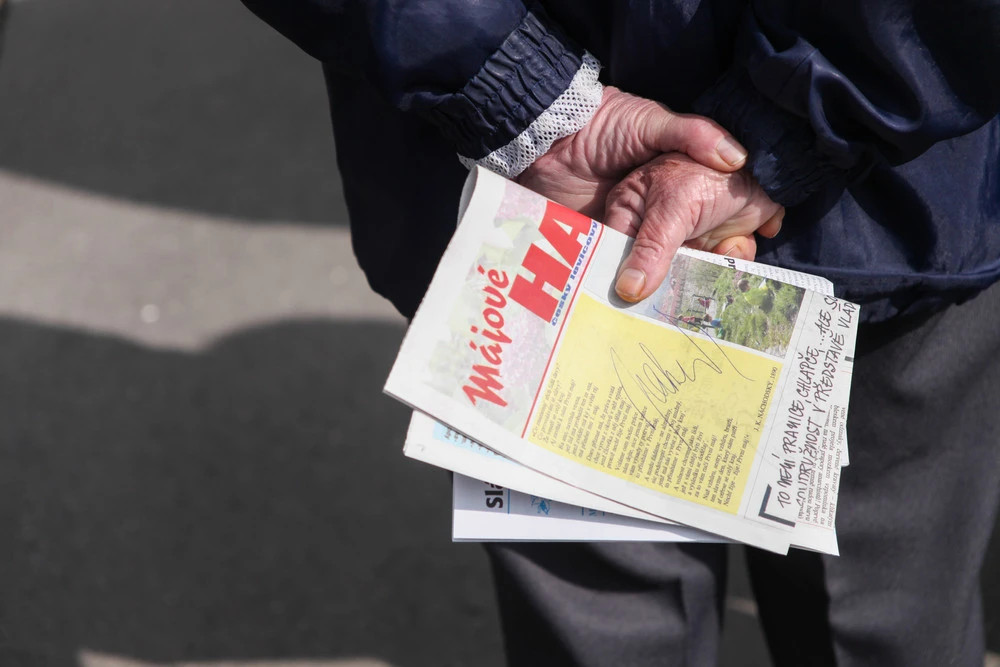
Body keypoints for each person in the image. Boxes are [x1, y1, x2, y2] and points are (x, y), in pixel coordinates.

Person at [240, 2, 1000, 665]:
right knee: (876, 609)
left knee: (613, 620)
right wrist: (792, 121)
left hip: (535, 192)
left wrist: (519, 98)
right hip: (876, 202)